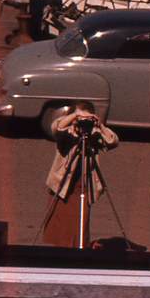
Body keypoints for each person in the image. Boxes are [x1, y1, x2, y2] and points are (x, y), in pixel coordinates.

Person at [42, 101, 119, 248]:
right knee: (61, 224)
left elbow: (113, 141)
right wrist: (75, 116)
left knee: (79, 222)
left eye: (86, 118)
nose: (83, 122)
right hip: (62, 185)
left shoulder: (94, 134)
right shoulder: (67, 132)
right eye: (79, 118)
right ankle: (61, 250)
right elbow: (55, 127)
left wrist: (99, 125)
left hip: (82, 185)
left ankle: (79, 249)